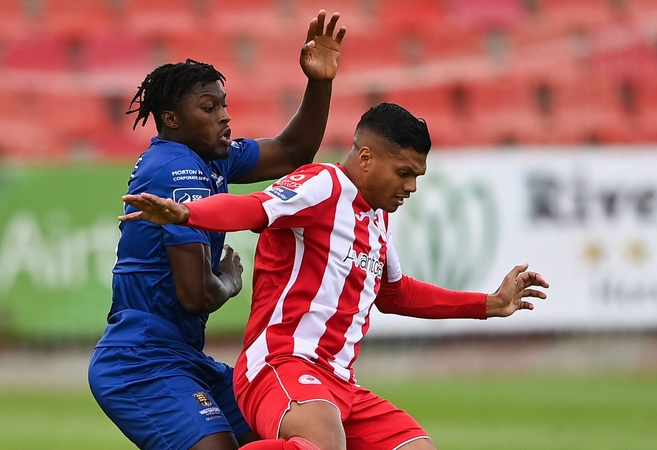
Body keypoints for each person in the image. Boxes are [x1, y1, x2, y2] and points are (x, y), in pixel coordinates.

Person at [119, 103, 550, 450]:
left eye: (417, 177)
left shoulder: (376, 219)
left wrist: (489, 304)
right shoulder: (322, 184)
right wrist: (188, 212)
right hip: (281, 364)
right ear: (365, 157)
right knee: (324, 444)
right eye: (404, 173)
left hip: (339, 382)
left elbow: (395, 294)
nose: (411, 188)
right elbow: (254, 209)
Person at [87, 10, 346, 450]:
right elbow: (195, 294)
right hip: (141, 360)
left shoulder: (210, 158)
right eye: (209, 108)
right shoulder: (176, 171)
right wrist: (228, 282)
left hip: (184, 356)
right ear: (171, 118)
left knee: (296, 431)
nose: (225, 116)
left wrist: (319, 81)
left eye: (224, 104)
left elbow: (290, 151)